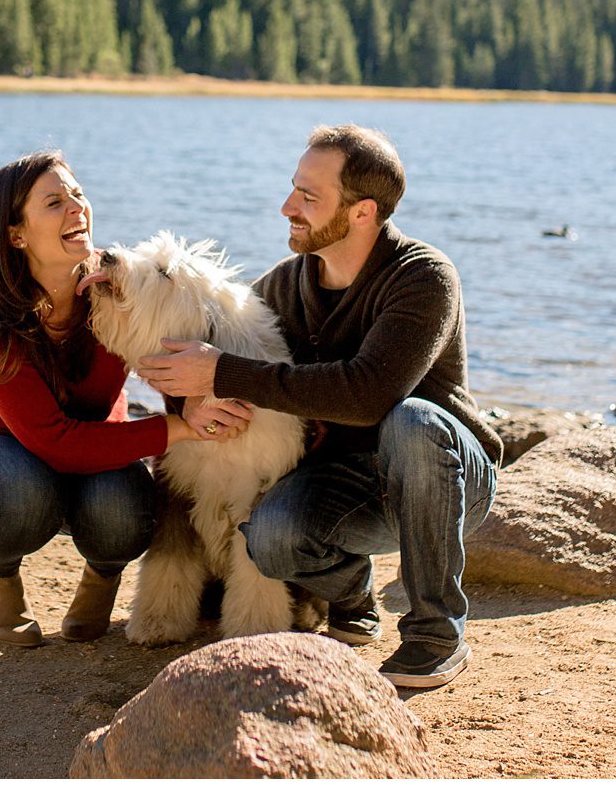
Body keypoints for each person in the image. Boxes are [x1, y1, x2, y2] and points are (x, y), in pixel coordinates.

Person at [138, 124, 501, 688]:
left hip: (442, 477)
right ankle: (351, 591)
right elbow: (218, 356)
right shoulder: (283, 287)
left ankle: (436, 633)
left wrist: (219, 369)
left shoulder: (423, 277)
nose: (288, 207)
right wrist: (173, 375)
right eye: (293, 189)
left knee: (412, 420)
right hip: (343, 486)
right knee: (269, 537)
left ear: (362, 212)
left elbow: (368, 393)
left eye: (309, 197)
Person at [0, 150, 250, 646]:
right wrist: (181, 427)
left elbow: (168, 354)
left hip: (98, 440)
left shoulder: (118, 281)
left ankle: (100, 581)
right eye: (54, 202)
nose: (77, 208)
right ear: (16, 234)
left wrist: (201, 401)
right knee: (19, 493)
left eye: (78, 194)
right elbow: (53, 441)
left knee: (129, 510)